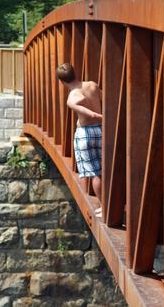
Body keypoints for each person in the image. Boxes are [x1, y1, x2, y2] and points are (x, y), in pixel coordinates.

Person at [56, 63, 103, 217]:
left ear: (62, 82)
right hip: (102, 130)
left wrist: (93, 114)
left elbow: (80, 107)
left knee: (95, 172)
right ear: (75, 73)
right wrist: (100, 115)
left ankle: (102, 206)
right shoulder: (92, 85)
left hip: (85, 133)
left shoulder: (72, 97)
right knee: (106, 170)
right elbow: (103, 98)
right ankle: (109, 204)